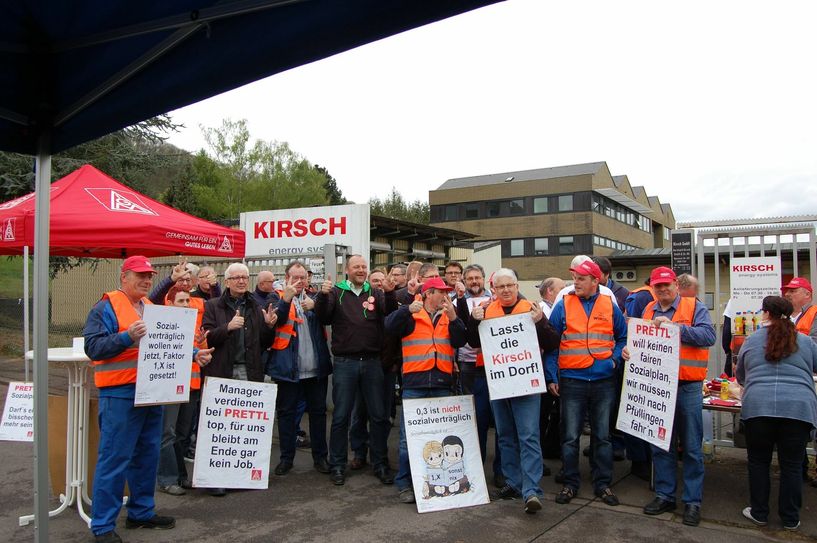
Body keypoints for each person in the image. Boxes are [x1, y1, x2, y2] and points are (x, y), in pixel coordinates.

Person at [83, 255, 213, 543]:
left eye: (149, 276)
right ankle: (103, 526)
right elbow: (93, 346)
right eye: (140, 275)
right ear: (124, 277)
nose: (146, 280)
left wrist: (194, 354)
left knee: (147, 455)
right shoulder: (106, 307)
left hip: (153, 391)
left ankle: (141, 512)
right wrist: (126, 337)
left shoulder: (150, 307)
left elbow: (167, 344)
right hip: (120, 394)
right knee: (114, 459)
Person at [465, 268, 560, 514]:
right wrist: (474, 320)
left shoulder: (532, 309)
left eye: (510, 285)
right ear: (493, 289)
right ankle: (513, 483)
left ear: (517, 286)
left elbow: (552, 343)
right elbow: (473, 341)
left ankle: (531, 491)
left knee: (528, 436)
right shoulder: (485, 310)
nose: (506, 290)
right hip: (498, 383)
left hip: (526, 384)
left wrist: (540, 323)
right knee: (505, 435)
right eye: (501, 286)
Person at [628, 266, 716, 527]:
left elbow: (708, 336)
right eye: (658, 286)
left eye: (667, 285)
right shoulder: (648, 310)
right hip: (657, 386)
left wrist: (675, 328)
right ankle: (665, 494)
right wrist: (629, 352)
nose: (663, 289)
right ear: (653, 288)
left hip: (687, 385)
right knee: (660, 443)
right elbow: (640, 343)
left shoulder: (693, 307)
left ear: (676, 286)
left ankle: (692, 501)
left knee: (690, 446)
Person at [545, 259, 627, 507]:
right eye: (574, 278)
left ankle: (603, 483)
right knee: (570, 436)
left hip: (603, 380)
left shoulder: (609, 305)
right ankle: (571, 483)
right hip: (572, 380)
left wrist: (614, 361)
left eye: (581, 279)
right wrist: (552, 376)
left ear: (595, 280)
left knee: (602, 436)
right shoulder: (564, 304)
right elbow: (551, 344)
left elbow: (623, 337)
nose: (575, 283)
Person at [315, 254, 398, 486]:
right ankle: (338, 464)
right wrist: (322, 295)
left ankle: (380, 464)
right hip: (345, 363)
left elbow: (389, 313)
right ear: (348, 270)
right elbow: (323, 317)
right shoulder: (336, 292)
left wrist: (390, 292)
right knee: (341, 416)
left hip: (372, 362)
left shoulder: (376, 292)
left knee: (379, 416)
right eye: (356, 267)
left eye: (364, 267)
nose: (361, 270)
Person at [736, 296, 817, 531]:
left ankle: (759, 512)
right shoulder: (804, 340)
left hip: (758, 408)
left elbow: (741, 375)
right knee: (791, 465)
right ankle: (790, 518)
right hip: (798, 409)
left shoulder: (751, 341)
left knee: (759, 461)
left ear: (766, 314)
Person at [386, 276, 467, 503]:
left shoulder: (448, 315)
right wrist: (406, 310)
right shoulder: (412, 313)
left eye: (446, 292)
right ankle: (404, 483)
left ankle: (437, 481)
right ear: (429, 293)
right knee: (407, 439)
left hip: (441, 384)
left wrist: (454, 318)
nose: (445, 295)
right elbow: (389, 327)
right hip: (415, 384)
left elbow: (460, 341)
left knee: (439, 439)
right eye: (441, 291)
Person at [201, 262, 278, 496]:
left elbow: (264, 343)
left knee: (246, 427)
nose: (242, 281)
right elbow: (208, 338)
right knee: (220, 427)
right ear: (227, 282)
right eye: (236, 278)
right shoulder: (213, 305)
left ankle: (243, 476)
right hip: (222, 371)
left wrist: (269, 326)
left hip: (249, 371)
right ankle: (216, 478)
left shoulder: (256, 306)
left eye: (245, 277)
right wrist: (229, 327)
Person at [265, 261, 332, 477]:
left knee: (318, 415)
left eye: (303, 277)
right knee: (286, 414)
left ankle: (320, 457)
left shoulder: (313, 298)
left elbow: (328, 317)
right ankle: (286, 459)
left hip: (315, 369)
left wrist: (318, 304)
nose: (300, 281)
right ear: (286, 277)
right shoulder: (274, 297)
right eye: (295, 277)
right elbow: (278, 319)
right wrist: (286, 298)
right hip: (288, 369)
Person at [454, 264, 504, 486]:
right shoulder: (457, 302)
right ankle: (476, 468)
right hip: (468, 364)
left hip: (496, 365)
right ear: (464, 280)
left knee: (501, 421)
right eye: (470, 278)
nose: (474, 281)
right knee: (476, 421)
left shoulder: (496, 300)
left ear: (484, 279)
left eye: (478, 278)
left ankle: (501, 471)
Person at [156, 286, 208, 496]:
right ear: (169, 303)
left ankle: (181, 475)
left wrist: (202, 341)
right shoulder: (162, 325)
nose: (186, 305)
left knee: (181, 435)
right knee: (167, 434)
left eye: (187, 301)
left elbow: (200, 355)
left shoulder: (193, 326)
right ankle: (167, 479)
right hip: (170, 387)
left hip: (191, 386)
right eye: (181, 301)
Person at [783, 277, 817, 342]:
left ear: (807, 294)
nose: (786, 294)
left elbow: (814, 343)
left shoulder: (814, 313)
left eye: (792, 291)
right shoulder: (782, 314)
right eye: (787, 291)